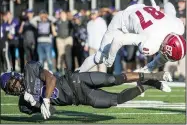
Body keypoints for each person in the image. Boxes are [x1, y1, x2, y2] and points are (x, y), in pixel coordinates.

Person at [0, 61, 172, 120]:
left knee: (114, 79)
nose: (15, 87)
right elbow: (52, 111)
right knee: (116, 100)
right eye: (11, 88)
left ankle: (155, 76)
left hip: (75, 80)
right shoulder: (24, 104)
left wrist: (43, 99)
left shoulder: (30, 70)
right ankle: (150, 84)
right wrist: (35, 103)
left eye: (13, 83)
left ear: (16, 76)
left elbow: (50, 79)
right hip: (80, 98)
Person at [76, 0, 186, 76]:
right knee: (100, 56)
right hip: (121, 21)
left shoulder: (178, 26)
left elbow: (169, 5)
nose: (165, 57)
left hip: (140, 8)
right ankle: (76, 75)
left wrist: (170, 15)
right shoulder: (150, 42)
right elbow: (118, 40)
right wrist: (110, 59)